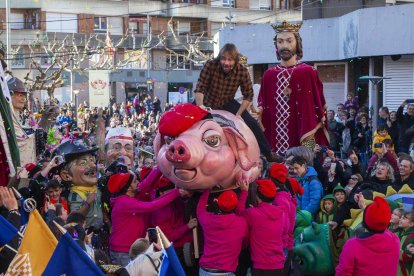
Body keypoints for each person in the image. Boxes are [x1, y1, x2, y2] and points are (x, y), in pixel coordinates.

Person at [257, 21, 329, 155]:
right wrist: (259, 111)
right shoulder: (268, 75)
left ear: (297, 43)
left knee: (305, 165)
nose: (284, 46)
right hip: (275, 141)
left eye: (289, 41)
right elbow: (262, 103)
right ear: (275, 45)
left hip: (303, 135)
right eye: (280, 41)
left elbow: (316, 110)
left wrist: (310, 145)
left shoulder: (309, 72)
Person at [194, 43, 273, 161]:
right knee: (187, 118)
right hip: (207, 100)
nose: (226, 63)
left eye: (230, 60)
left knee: (251, 122)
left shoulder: (242, 71)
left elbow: (248, 95)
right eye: (223, 59)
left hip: (227, 102)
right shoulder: (210, 65)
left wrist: (239, 114)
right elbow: (200, 87)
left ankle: (268, 154)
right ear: (219, 58)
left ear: (235, 60)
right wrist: (200, 106)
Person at [107, 172, 184, 267]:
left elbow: (146, 183)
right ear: (128, 188)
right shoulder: (124, 202)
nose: (138, 182)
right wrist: (176, 192)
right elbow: (152, 206)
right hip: (123, 251)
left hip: (128, 249)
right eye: (135, 181)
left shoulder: (128, 198)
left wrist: (159, 167)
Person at [336, 196, 400, 275]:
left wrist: (366, 211)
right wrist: (365, 209)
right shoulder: (395, 240)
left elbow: (343, 273)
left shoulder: (352, 245)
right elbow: (379, 222)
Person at [238, 179, 286, 276]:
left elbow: (239, 211)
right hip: (279, 264)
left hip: (261, 266)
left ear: (257, 196)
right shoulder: (282, 214)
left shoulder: (253, 214)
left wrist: (244, 192)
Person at [197, 189, 249, 276]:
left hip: (204, 271)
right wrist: (244, 192)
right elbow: (245, 244)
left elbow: (200, 209)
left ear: (217, 202)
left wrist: (207, 190)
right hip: (226, 272)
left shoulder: (207, 219)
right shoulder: (241, 223)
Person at [8, 76, 36, 167]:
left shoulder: (23, 118)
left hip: (29, 170)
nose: (23, 99)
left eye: (24, 95)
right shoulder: (5, 119)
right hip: (12, 172)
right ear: (9, 95)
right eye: (20, 95)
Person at [398, 210, 414, 276]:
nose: (400, 219)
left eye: (404, 218)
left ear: (411, 224)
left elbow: (408, 257)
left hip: (404, 270)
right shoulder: (403, 233)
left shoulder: (411, 236)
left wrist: (393, 250)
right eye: (401, 217)